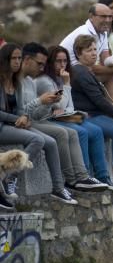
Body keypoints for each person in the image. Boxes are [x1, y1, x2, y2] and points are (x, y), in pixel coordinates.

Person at [16, 43, 106, 193]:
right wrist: (65, 86)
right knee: (77, 131)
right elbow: (60, 106)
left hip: (48, 117)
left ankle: (89, 177)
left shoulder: (41, 80)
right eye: (58, 61)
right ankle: (75, 178)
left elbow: (66, 107)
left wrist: (48, 102)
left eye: (65, 61)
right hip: (45, 120)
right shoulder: (43, 81)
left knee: (90, 128)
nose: (62, 65)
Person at [0, 44, 73, 206]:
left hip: (14, 124)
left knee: (52, 142)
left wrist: (28, 114)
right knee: (37, 140)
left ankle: (58, 187)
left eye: (19, 58)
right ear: (5, 60)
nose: (17, 62)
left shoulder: (18, 82)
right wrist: (18, 117)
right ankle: (11, 176)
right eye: (14, 58)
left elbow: (22, 110)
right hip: (4, 125)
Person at [67, 36, 113, 191]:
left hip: (94, 115)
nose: (94, 53)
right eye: (89, 50)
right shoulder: (80, 71)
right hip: (88, 117)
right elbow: (98, 100)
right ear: (79, 53)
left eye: (95, 50)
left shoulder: (85, 70)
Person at [60, 3, 113, 101]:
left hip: (80, 72)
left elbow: (106, 60)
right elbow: (88, 66)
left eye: (110, 17)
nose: (107, 20)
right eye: (103, 16)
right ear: (91, 16)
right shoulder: (84, 33)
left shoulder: (103, 32)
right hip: (66, 76)